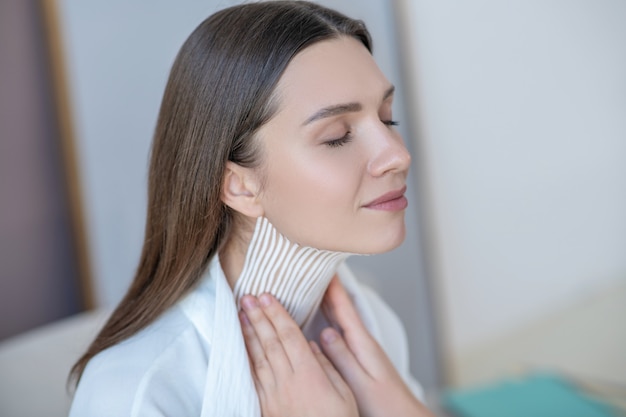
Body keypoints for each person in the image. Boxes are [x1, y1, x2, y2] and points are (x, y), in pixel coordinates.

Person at [68, 1, 434, 416]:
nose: (396, 155)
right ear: (239, 187)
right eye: (337, 136)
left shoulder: (370, 324)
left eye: (387, 119)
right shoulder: (136, 391)